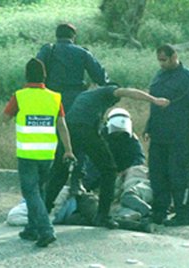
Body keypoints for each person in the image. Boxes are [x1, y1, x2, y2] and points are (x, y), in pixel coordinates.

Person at [44, 84, 170, 229]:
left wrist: (78, 175)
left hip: (68, 129)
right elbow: (128, 92)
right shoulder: (107, 91)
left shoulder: (85, 96)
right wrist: (154, 100)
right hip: (85, 129)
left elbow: (82, 153)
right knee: (109, 171)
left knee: (59, 173)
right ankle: (103, 216)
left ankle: (41, 214)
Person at [3, 58, 75, 248]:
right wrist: (68, 150)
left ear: (26, 75)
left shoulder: (20, 96)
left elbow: (5, 117)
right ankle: (32, 229)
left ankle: (46, 230)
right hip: (47, 154)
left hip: (27, 154)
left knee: (31, 193)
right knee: (40, 192)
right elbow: (62, 126)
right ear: (45, 76)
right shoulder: (54, 97)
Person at [144, 43, 189, 227]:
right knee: (158, 174)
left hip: (180, 136)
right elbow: (154, 104)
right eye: (159, 60)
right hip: (159, 135)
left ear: (174, 56)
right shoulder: (159, 76)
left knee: (179, 176)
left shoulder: (188, 79)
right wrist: (148, 126)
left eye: (164, 60)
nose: (161, 64)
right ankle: (159, 212)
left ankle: (184, 214)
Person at [37, 23, 109, 112]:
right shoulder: (83, 53)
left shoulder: (47, 50)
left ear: (56, 36)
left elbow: (36, 70)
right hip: (75, 100)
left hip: (51, 96)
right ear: (73, 37)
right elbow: (99, 76)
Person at [84, 108, 146, 191]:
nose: (118, 133)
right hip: (102, 166)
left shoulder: (132, 138)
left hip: (123, 169)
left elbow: (139, 157)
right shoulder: (100, 135)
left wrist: (129, 169)